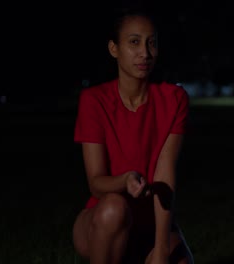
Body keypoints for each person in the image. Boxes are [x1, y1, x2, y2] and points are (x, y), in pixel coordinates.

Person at [71, 6, 194, 264]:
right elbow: (95, 182)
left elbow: (165, 177)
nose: (145, 53)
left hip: (151, 222)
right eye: (134, 42)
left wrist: (161, 248)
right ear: (114, 49)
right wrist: (125, 180)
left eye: (152, 43)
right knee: (114, 208)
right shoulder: (94, 101)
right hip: (105, 218)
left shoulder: (174, 99)